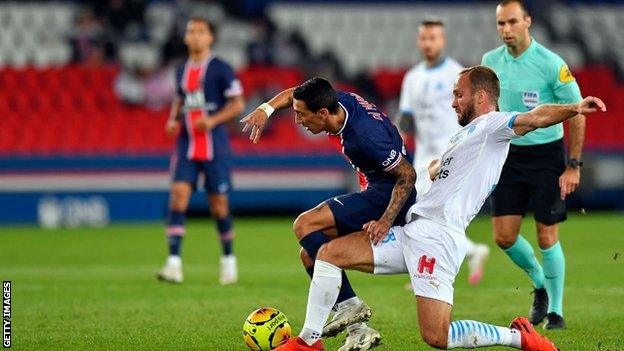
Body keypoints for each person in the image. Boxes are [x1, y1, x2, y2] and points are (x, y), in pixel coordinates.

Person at [273, 65, 605, 351]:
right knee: (326, 253)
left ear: (480, 97)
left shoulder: (495, 125)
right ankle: (310, 340)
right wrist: (437, 170)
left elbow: (536, 117)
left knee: (437, 336)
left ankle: (518, 338)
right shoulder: (463, 137)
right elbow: (447, 175)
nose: (453, 102)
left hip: (439, 239)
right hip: (413, 229)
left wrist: (574, 107)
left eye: (459, 95)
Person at [241, 78, 417, 351]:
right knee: (309, 255)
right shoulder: (336, 102)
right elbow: (295, 95)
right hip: (375, 189)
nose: (297, 120)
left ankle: (327, 325)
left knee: (305, 224)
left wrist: (385, 221)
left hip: (387, 196)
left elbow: (407, 175)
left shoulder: (365, 136)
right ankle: (359, 330)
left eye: (302, 115)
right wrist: (266, 109)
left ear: (323, 113)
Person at [481, 0, 585, 328]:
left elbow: (577, 111)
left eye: (512, 22)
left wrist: (573, 165)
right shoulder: (490, 62)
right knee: (503, 236)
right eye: (501, 24)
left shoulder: (551, 64)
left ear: (528, 21)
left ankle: (556, 311)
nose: (506, 30)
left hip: (546, 156)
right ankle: (540, 284)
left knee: (546, 235)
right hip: (508, 155)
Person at [395, 19, 490, 286]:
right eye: (424, 38)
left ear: (443, 40)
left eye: (433, 38)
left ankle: (426, 270)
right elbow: (405, 116)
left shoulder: (458, 74)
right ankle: (468, 252)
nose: (428, 43)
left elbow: (475, 115)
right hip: (423, 156)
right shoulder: (412, 77)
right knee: (428, 214)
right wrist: (397, 147)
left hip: (449, 154)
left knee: (419, 211)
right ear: (419, 41)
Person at [156, 17, 246, 285]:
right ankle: (173, 263)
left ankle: (228, 258)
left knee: (218, 206)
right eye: (191, 32)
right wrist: (173, 119)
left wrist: (213, 121)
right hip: (186, 144)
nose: (195, 36)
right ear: (185, 38)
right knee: (178, 198)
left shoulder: (220, 69)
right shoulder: (180, 69)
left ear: (210, 38)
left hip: (214, 145)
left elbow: (238, 103)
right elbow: (180, 99)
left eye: (200, 32)